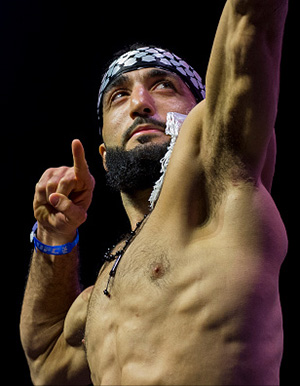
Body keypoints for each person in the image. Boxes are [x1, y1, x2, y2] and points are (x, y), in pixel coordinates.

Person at [20, 1, 289, 385]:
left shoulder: (227, 184)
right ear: (105, 159)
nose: (139, 104)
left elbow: (250, 20)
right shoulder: (100, 295)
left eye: (163, 85)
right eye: (118, 96)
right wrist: (54, 236)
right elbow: (44, 362)